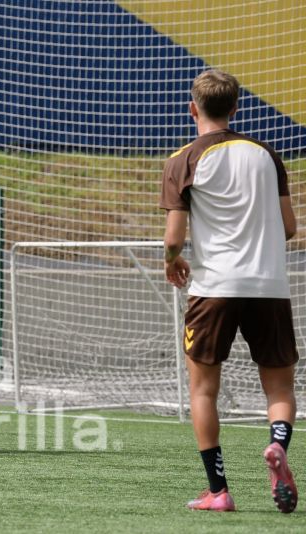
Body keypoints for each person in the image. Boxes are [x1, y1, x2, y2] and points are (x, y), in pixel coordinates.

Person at [160, 69, 298, 513]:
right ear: (237, 107)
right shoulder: (266, 154)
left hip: (214, 287)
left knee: (203, 391)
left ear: (192, 108)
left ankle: (218, 491)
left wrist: (171, 261)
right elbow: (290, 227)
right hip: (270, 285)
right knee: (278, 390)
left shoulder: (183, 159)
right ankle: (278, 446)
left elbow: (173, 238)